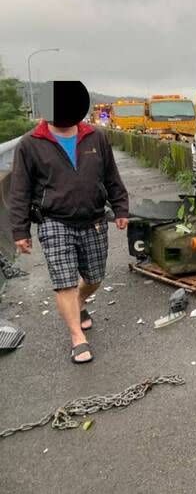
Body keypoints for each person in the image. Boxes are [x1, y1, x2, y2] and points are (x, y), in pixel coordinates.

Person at [9, 81, 129, 363]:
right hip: (54, 221)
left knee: (94, 278)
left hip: (94, 219)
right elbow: (19, 191)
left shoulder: (95, 137)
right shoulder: (30, 144)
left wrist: (121, 208)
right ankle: (77, 337)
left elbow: (111, 176)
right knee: (64, 282)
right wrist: (20, 230)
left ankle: (81, 301)